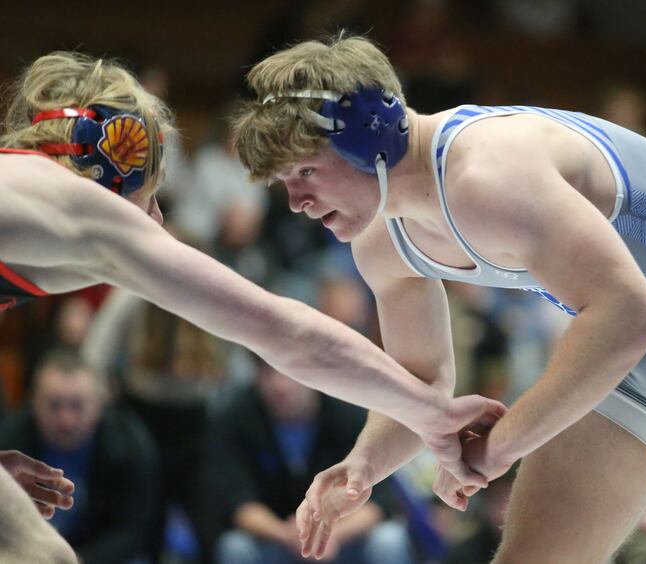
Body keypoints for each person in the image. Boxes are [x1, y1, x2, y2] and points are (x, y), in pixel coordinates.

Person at [232, 34, 646, 563]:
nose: (297, 203)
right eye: (287, 182)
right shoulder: (382, 237)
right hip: (624, 360)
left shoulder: (487, 172)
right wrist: (364, 465)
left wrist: (501, 447)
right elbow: (422, 385)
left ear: (370, 140)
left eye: (306, 171)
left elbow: (629, 316)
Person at [0, 51, 504, 562]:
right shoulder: (75, 205)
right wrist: (434, 414)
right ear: (114, 159)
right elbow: (286, 333)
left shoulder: (31, 200)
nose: (154, 219)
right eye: (150, 191)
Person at [210, 358, 413, 564]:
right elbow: (236, 502)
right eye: (268, 372)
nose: (280, 385)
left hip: (342, 538)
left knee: (389, 539)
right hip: (279, 539)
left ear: (313, 375)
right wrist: (290, 536)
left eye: (289, 372)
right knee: (235, 546)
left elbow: (379, 501)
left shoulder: (349, 415)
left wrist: (330, 536)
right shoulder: (237, 420)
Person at [0, 348, 158, 564]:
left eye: (77, 405)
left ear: (99, 404)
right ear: (34, 402)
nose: (66, 420)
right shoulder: (9, 442)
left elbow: (132, 531)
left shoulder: (131, 445)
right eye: (54, 405)